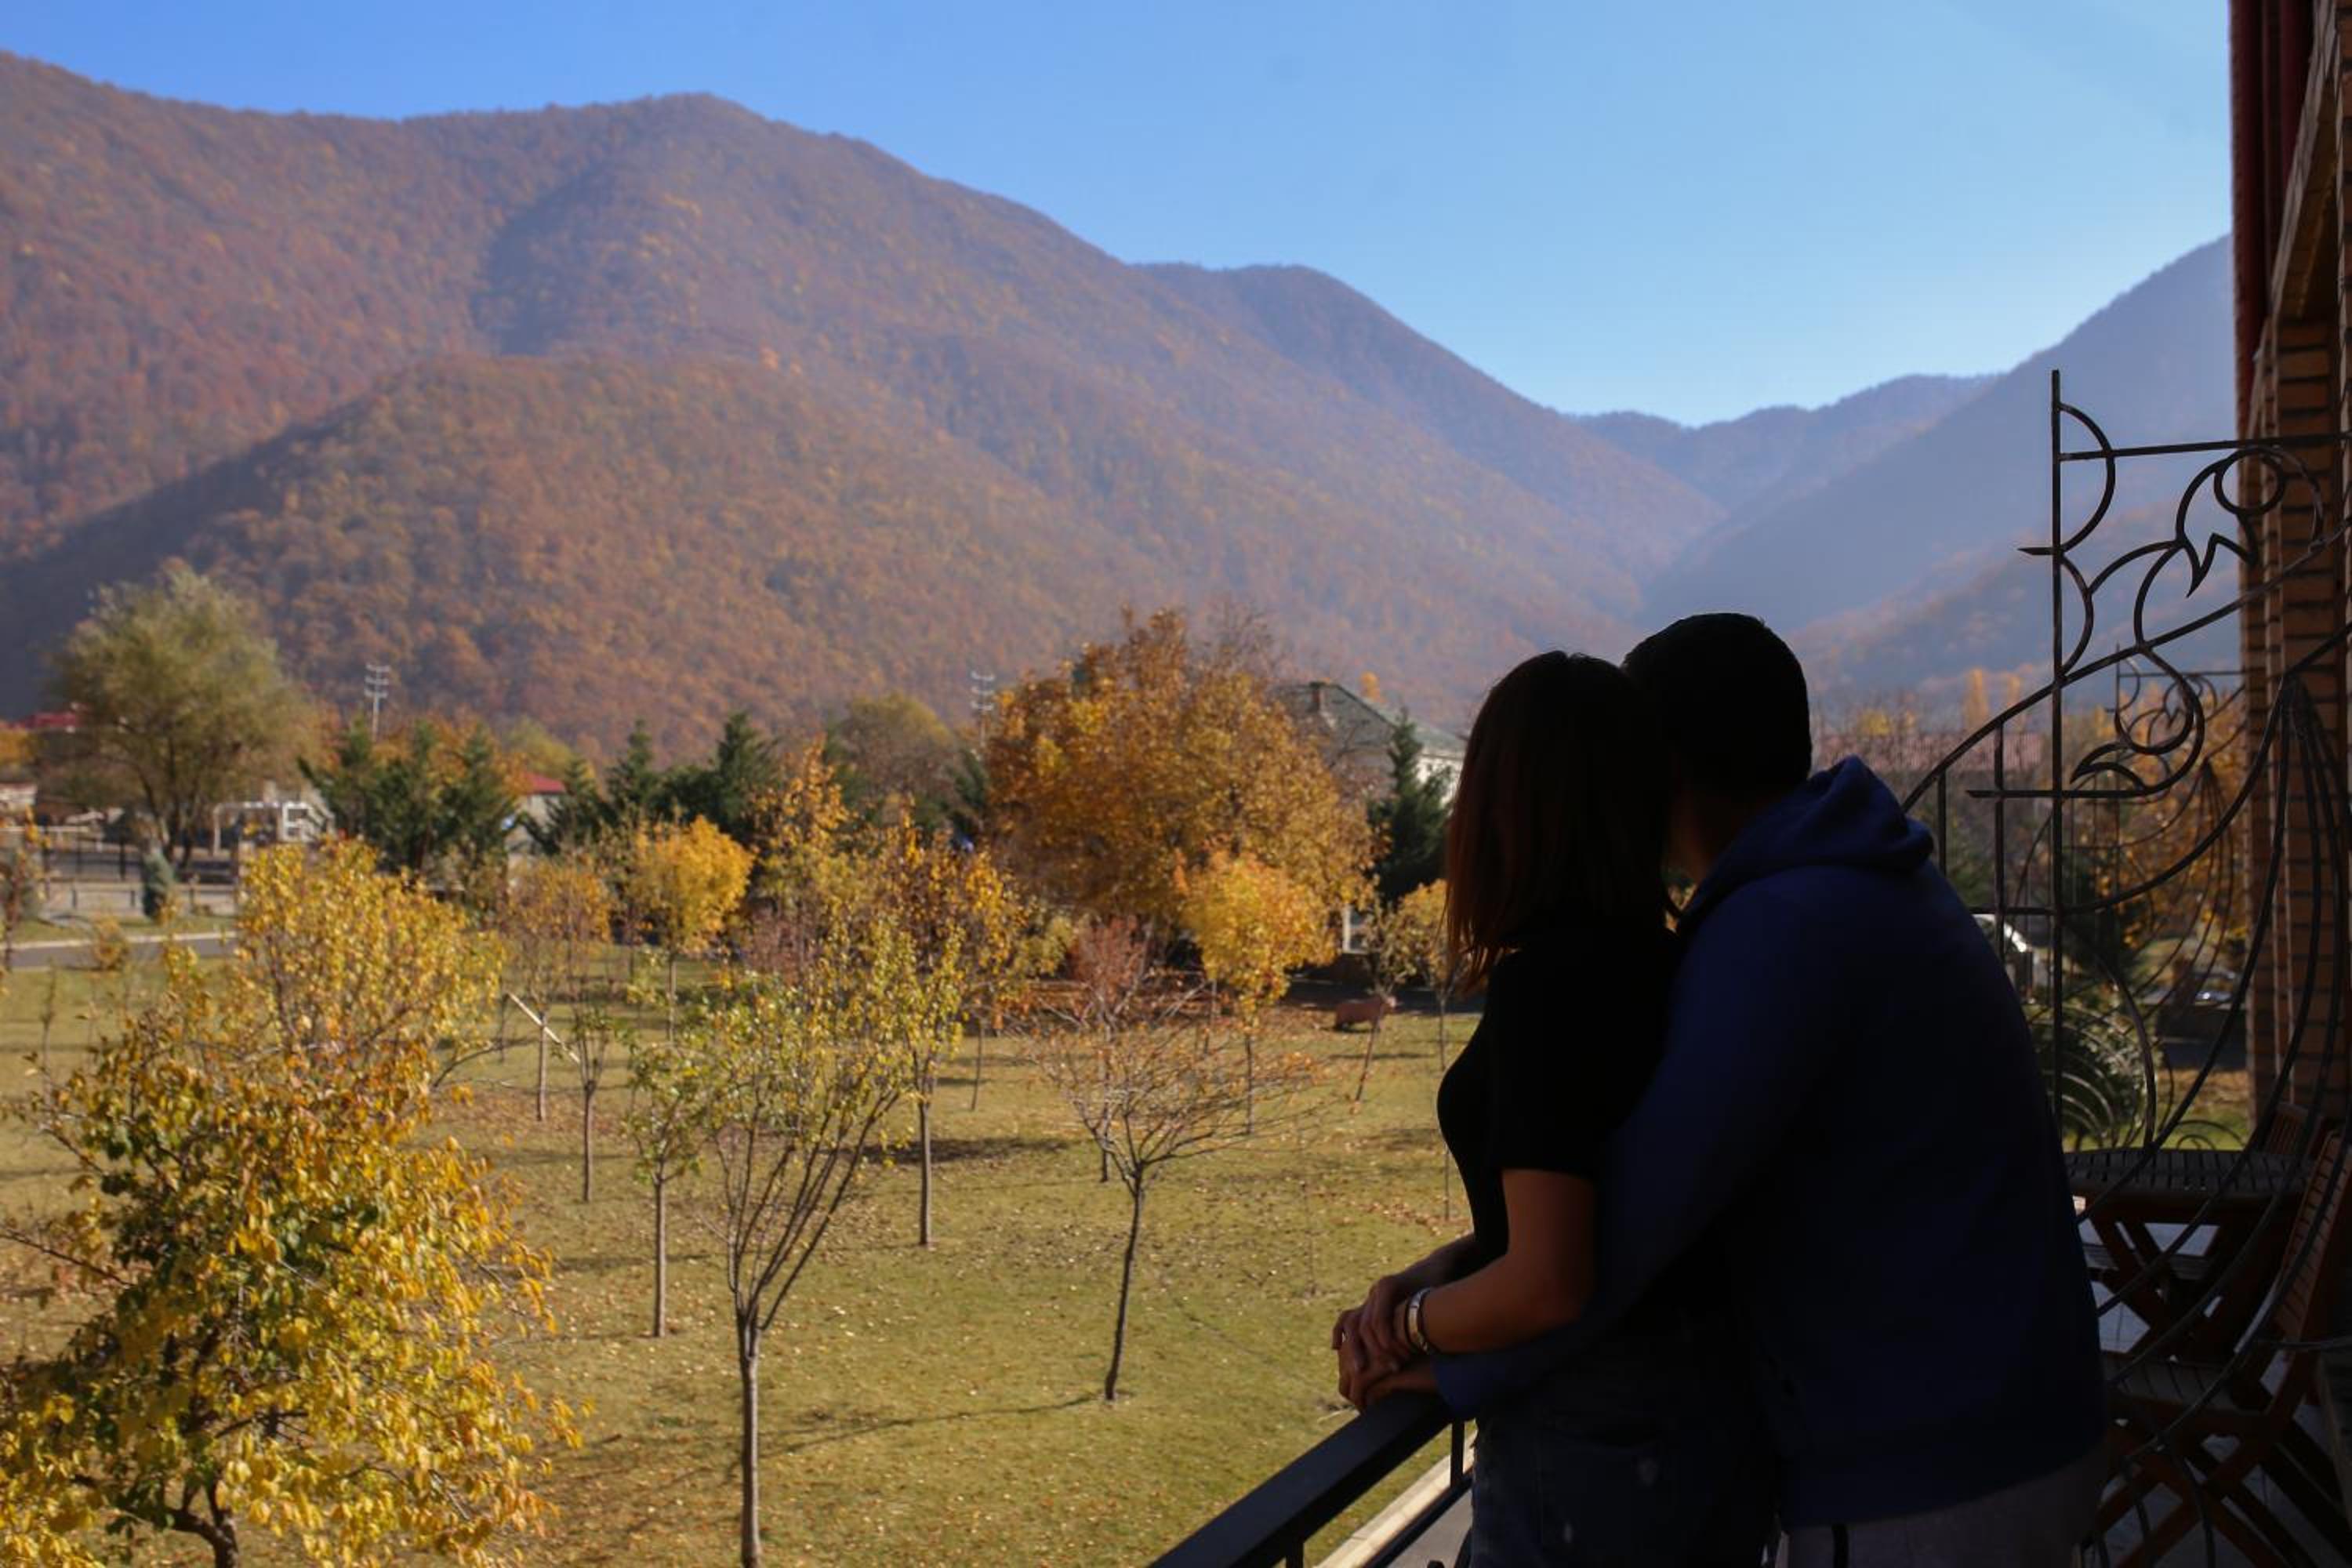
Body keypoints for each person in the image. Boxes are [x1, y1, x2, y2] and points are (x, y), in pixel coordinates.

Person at [1360, 614, 2106, 1566]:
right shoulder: (1849, 882)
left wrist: (1433, 1343)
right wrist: (1455, 1267)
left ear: (1661, 767)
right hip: (1997, 1419)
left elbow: (1612, 1241)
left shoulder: (1784, 931)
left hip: (1930, 1459)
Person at [1333, 650, 1773, 1566]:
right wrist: (1439, 1269)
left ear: (1506, 806)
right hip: (1692, 1432)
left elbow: (1549, 1278)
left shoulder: (1553, 985)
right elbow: (1601, 1199)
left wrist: (1408, 1330)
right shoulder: (1668, 962)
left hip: (1590, 1455)